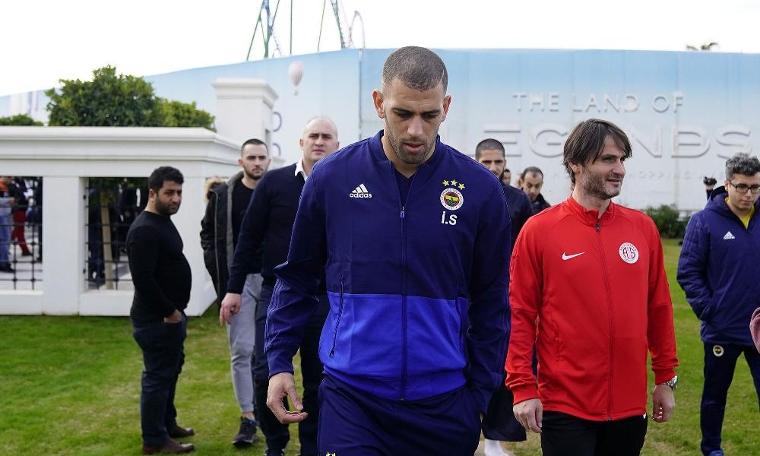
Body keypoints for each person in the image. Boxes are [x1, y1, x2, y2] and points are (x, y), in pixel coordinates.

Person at [265, 46, 511, 455]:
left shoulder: (481, 191)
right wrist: (277, 362)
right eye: (403, 113)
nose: (415, 130)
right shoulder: (331, 179)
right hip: (353, 401)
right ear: (379, 103)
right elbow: (298, 277)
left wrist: (479, 394)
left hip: (444, 404)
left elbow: (493, 301)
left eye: (429, 115)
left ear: (446, 107)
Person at [506, 118, 678, 456]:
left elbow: (658, 308)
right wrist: (523, 386)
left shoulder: (642, 229)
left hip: (629, 405)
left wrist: (665, 378)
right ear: (575, 163)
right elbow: (520, 313)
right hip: (565, 403)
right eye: (607, 159)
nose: (619, 169)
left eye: (622, 160)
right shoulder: (539, 230)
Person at [221, 117, 339, 456]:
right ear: (300, 142)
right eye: (313, 136)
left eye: (326, 137)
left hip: (323, 299)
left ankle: (312, 448)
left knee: (320, 379)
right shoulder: (273, 184)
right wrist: (233, 288)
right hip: (276, 295)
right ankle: (275, 444)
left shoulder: (343, 188)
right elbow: (248, 238)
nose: (319, 141)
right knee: (265, 371)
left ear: (337, 145)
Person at [677, 152, 760, 456]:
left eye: (755, 187)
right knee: (715, 396)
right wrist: (711, 310)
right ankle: (711, 448)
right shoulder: (704, 221)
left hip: (759, 330)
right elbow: (688, 271)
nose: (748, 194)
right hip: (721, 329)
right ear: (727, 184)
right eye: (742, 187)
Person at [200, 138, 271, 447]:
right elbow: (208, 236)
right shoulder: (223, 196)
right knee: (241, 352)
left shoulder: (278, 190)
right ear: (241, 162)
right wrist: (223, 281)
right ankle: (248, 417)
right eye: (251, 157)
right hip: (238, 283)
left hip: (272, 282)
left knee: (268, 354)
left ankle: (270, 414)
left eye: (261, 157)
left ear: (269, 161)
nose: (257, 162)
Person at [126, 166, 194, 455]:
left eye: (179, 192)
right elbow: (143, 279)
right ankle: (154, 440)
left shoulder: (161, 220)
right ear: (152, 193)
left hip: (169, 316)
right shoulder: (143, 229)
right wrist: (170, 312)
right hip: (157, 319)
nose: (176, 198)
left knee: (169, 372)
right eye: (169, 193)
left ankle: (167, 424)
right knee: (157, 378)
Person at [474, 138, 531, 456]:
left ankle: (494, 439)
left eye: (498, 162)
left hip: (506, 296)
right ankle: (463, 431)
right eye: (487, 162)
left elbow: (526, 249)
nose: (493, 168)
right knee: (465, 362)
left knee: (501, 365)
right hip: (466, 296)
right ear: (477, 161)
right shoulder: (463, 192)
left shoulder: (519, 200)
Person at [0, 177, 14, 272]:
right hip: (2, 216)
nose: (11, 179)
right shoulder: (1, 187)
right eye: (9, 177)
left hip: (5, 215)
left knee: (5, 240)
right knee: (5, 240)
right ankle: (3, 263)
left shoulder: (5, 187)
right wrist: (9, 200)